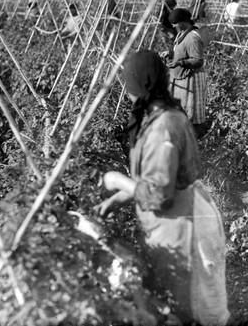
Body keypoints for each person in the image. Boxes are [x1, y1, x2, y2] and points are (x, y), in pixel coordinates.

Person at [94, 50, 229, 325]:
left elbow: (159, 194)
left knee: (196, 311)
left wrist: (115, 180)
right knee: (188, 305)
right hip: (184, 213)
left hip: (186, 224)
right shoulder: (163, 114)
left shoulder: (162, 129)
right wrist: (118, 200)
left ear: (138, 85)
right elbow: (158, 178)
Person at [167, 8, 208, 136]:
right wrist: (170, 54)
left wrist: (181, 63)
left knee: (193, 112)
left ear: (183, 22)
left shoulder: (193, 37)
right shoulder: (182, 34)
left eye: (175, 24)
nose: (174, 27)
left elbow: (198, 61)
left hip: (192, 78)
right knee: (184, 108)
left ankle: (196, 136)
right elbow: (180, 50)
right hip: (183, 78)